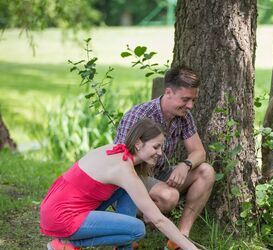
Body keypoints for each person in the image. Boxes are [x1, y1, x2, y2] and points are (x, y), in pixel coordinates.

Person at [40, 118, 198, 250]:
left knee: (125, 190)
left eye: (161, 147)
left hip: (56, 207)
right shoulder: (124, 170)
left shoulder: (116, 151)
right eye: (155, 147)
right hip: (63, 217)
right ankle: (67, 244)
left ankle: (124, 248)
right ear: (138, 143)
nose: (160, 153)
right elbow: (159, 220)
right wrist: (191, 248)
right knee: (137, 229)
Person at [114, 65, 215, 249]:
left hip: (160, 174)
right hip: (132, 176)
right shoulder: (140, 115)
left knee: (206, 171)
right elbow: (121, 162)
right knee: (169, 196)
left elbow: (199, 152)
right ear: (168, 92)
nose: (190, 105)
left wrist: (185, 165)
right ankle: (126, 228)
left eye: (193, 100)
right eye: (185, 99)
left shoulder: (184, 116)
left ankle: (180, 238)